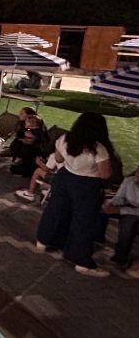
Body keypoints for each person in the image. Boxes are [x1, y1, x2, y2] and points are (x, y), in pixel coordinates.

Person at [35, 112, 114, 277]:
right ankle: (80, 260)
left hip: (65, 179)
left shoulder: (65, 139)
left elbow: (58, 159)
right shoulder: (98, 149)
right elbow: (105, 174)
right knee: (83, 222)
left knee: (55, 211)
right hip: (87, 185)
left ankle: (45, 240)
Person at [99, 167, 139, 276]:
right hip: (129, 208)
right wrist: (111, 204)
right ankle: (97, 240)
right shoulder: (129, 181)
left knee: (128, 222)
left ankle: (121, 256)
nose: (137, 174)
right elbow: (120, 197)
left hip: (134, 212)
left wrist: (121, 210)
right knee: (100, 212)